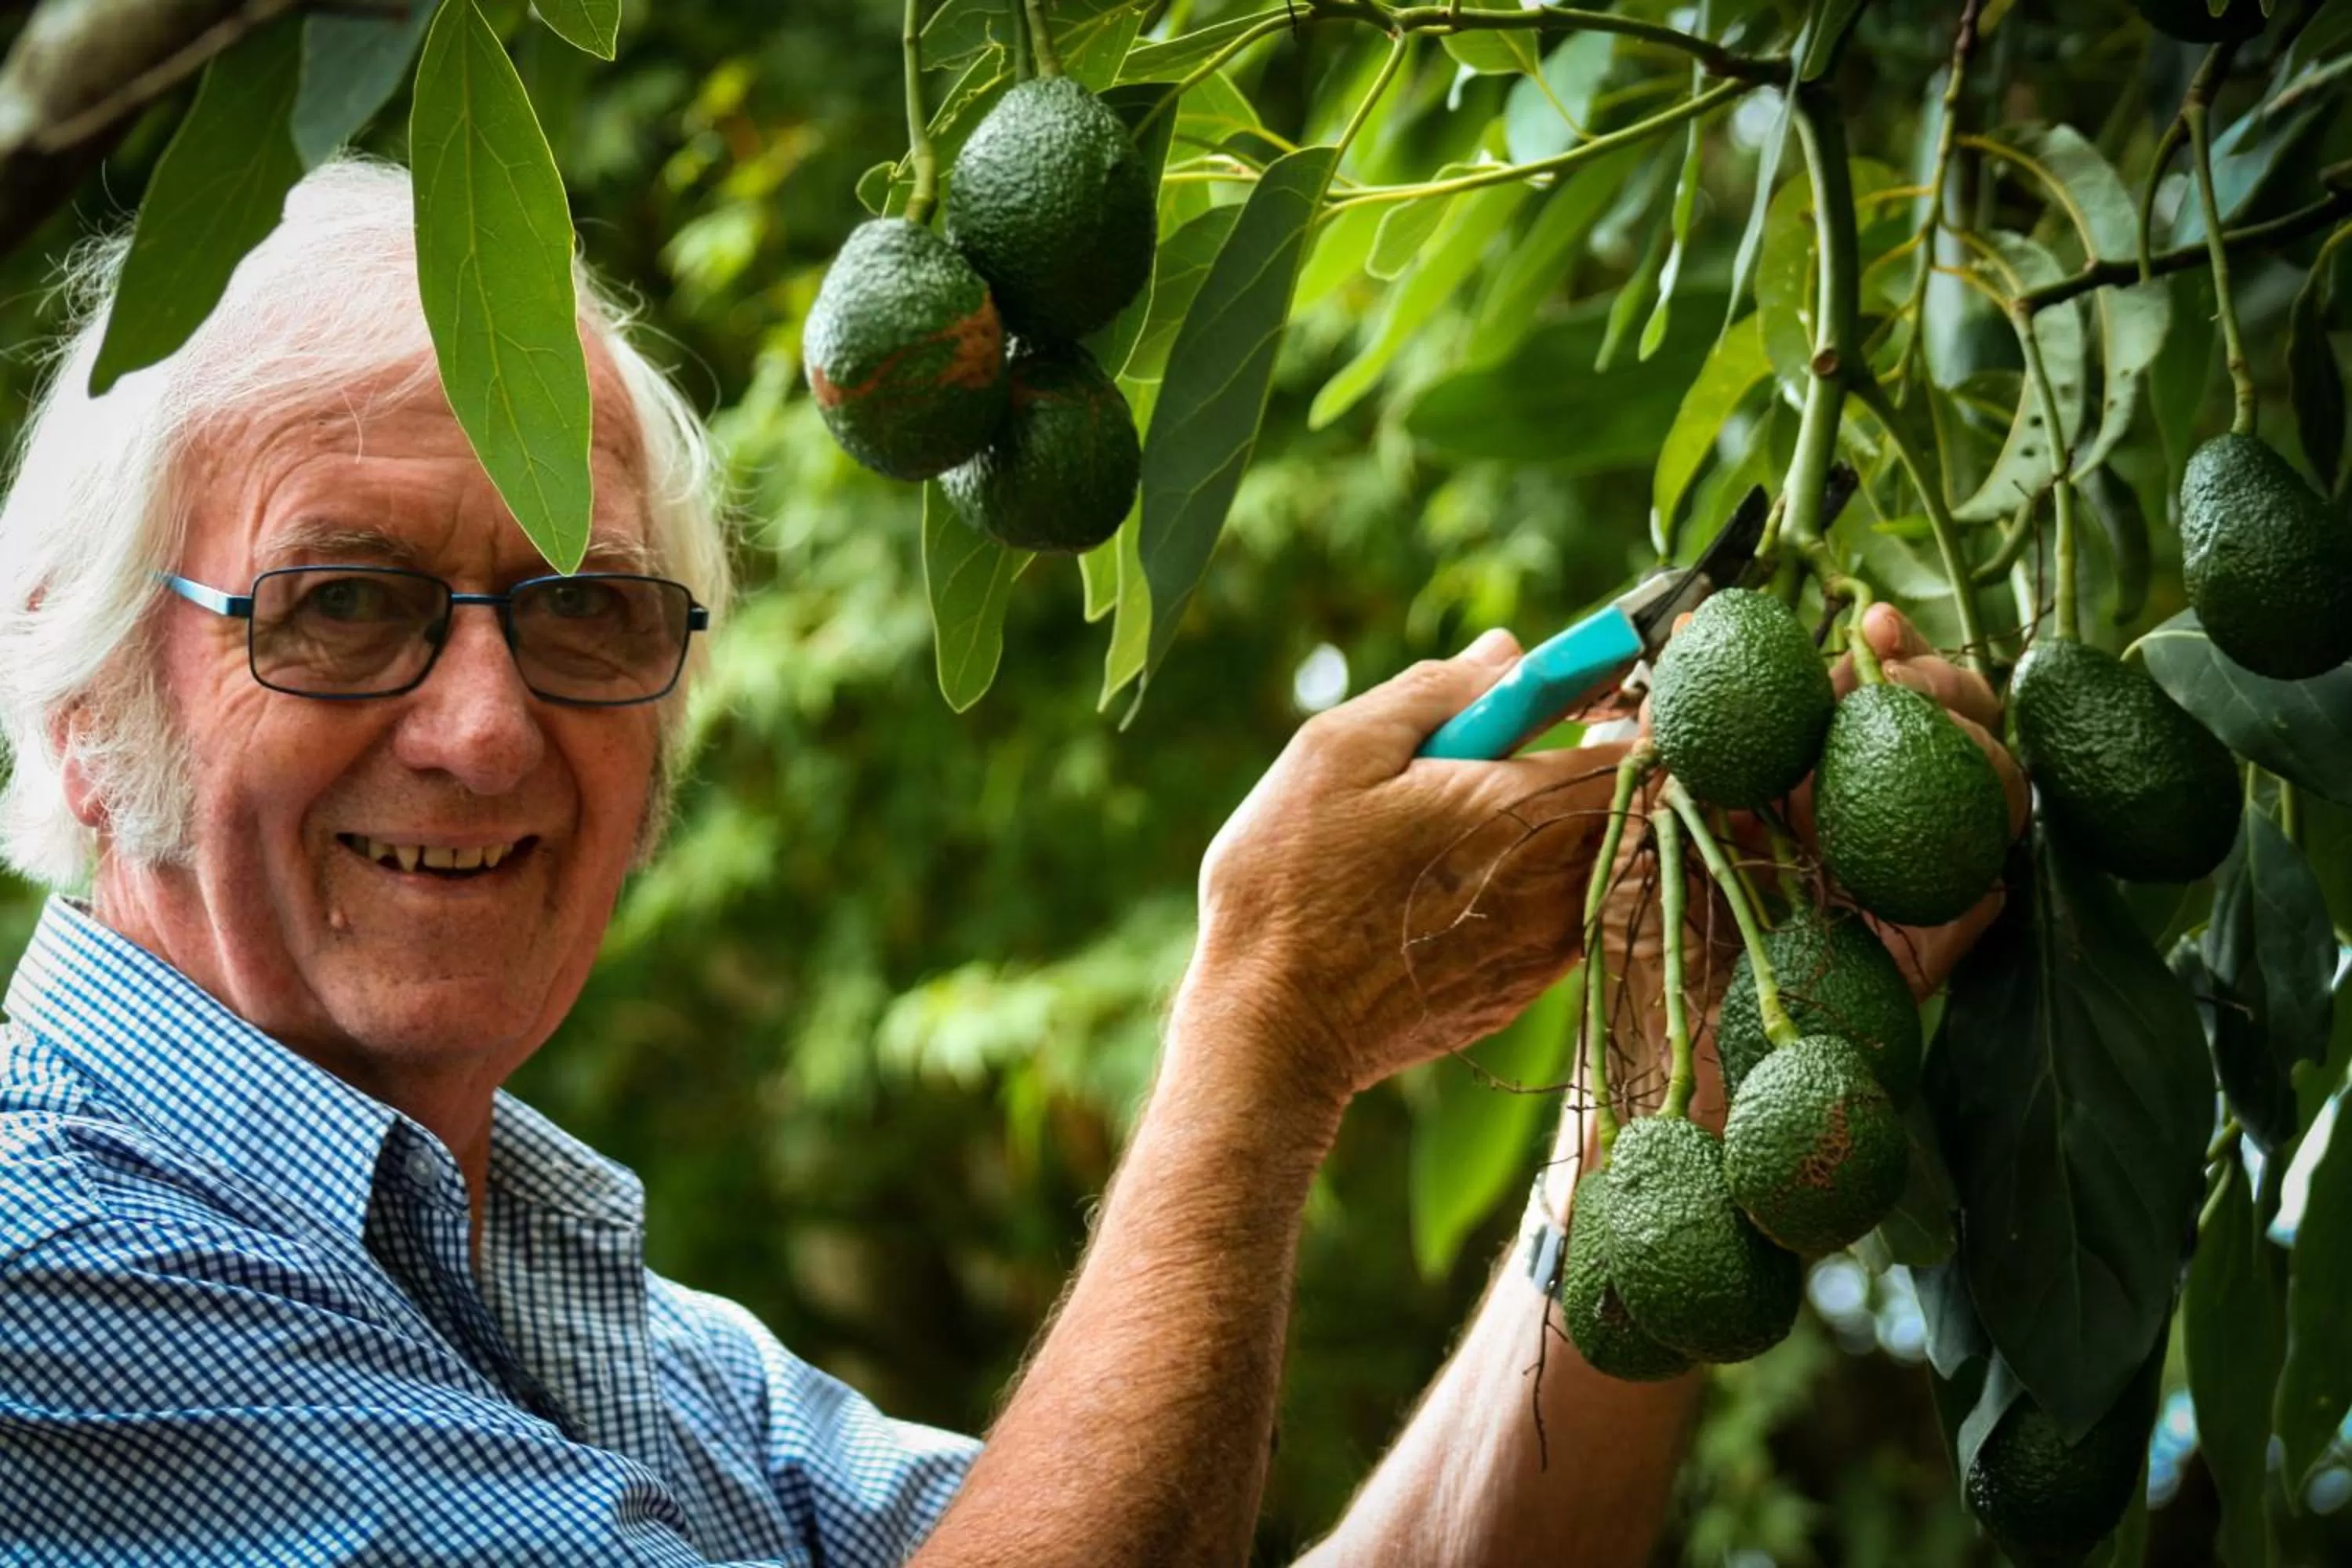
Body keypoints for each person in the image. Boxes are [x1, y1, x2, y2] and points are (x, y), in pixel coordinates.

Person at [0, 160, 2020, 1566]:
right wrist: (1269, 1026)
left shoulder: (615, 1348)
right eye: (340, 605)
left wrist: (1658, 1103)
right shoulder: (48, 1277)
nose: (483, 727)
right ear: (87, 707)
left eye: (590, 616)